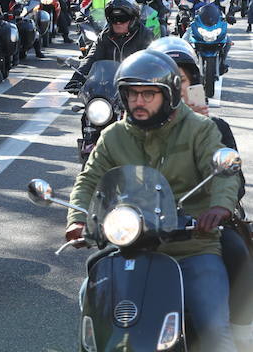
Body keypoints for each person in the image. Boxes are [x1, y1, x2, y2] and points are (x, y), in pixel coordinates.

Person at [66, 50, 240, 352]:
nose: (139, 101)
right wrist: (77, 219)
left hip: (192, 246)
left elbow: (225, 171)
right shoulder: (114, 135)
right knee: (89, 300)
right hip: (131, 246)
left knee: (214, 328)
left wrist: (220, 206)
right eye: (132, 94)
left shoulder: (200, 129)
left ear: (170, 95)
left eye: (149, 94)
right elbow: (90, 179)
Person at [66, 0, 154, 91]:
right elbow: (91, 58)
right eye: (114, 18)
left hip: (136, 87)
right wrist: (76, 79)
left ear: (133, 19)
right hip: (107, 87)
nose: (118, 23)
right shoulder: (104, 36)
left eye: (123, 18)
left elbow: (151, 63)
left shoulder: (145, 35)